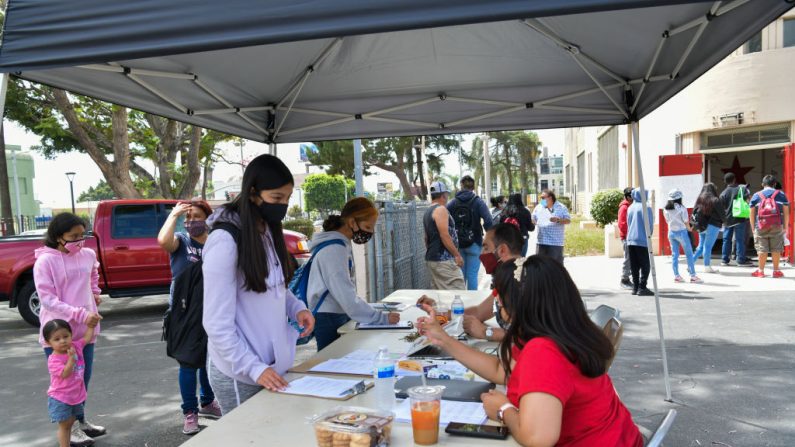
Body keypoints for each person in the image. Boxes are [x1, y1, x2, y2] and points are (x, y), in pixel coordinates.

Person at [416, 257, 643, 447]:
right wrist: (443, 339)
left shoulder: (544, 350)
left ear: (520, 306)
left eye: (500, 304)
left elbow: (538, 437)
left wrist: (503, 409)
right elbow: (501, 369)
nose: (498, 309)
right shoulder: (560, 331)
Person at [202, 154, 315, 414]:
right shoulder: (224, 242)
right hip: (241, 373)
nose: (283, 205)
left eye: (287, 198)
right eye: (277, 198)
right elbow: (216, 324)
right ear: (253, 193)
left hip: (271, 367)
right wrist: (254, 368)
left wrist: (297, 308)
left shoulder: (266, 231)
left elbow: (274, 287)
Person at [34, 213, 106, 446]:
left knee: (82, 379)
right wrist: (81, 314)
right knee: (65, 383)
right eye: (73, 237)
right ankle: (70, 428)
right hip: (59, 333)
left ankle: (81, 421)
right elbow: (48, 300)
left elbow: (93, 274)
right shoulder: (45, 262)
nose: (79, 240)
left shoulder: (88, 255)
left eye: (81, 235)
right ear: (58, 237)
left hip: (86, 329)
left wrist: (95, 293)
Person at [157, 199, 221, 434]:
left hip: (213, 307)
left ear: (208, 218)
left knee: (209, 359)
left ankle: (207, 401)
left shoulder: (216, 242)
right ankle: (190, 412)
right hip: (184, 311)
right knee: (188, 362)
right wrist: (173, 215)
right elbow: (163, 241)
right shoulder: (182, 241)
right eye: (188, 218)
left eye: (197, 216)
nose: (192, 221)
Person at [309, 197, 400, 351]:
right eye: (367, 226)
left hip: (333, 313)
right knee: (332, 363)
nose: (370, 232)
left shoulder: (339, 245)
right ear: (351, 222)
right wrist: (381, 318)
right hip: (329, 317)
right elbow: (346, 296)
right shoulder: (334, 250)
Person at [416, 223, 524, 341]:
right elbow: (479, 312)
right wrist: (439, 311)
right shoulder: (509, 278)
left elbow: (531, 334)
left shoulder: (525, 280)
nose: (482, 253)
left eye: (486, 247)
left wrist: (486, 332)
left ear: (502, 250)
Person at [43, 318, 99, 447]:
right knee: (64, 427)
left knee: (70, 422)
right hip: (60, 398)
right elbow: (65, 373)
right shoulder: (54, 360)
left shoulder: (75, 346)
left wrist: (90, 326)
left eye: (65, 336)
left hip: (75, 396)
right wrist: (71, 360)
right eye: (57, 339)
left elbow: (87, 338)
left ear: (71, 335)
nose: (62, 341)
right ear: (48, 342)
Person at [447, 175, 494, 290]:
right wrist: (489, 239)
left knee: (461, 275)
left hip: (458, 245)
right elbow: (488, 220)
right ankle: (472, 302)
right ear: (473, 187)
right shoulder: (478, 202)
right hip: (474, 242)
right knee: (472, 274)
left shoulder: (452, 203)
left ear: (461, 186)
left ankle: (461, 302)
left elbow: (445, 220)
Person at [423, 181, 466, 290]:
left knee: (440, 297)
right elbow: (444, 235)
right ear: (443, 195)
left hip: (434, 259)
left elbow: (426, 238)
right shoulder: (440, 209)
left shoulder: (428, 211)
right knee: (458, 292)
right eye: (447, 194)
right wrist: (457, 255)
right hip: (444, 261)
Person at [750, 175, 790, 278]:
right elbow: (786, 213)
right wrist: (785, 227)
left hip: (760, 226)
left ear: (762, 184)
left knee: (762, 249)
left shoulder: (756, 195)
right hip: (777, 225)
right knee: (776, 248)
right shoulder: (781, 195)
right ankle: (776, 271)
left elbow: (752, 214)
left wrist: (753, 228)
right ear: (775, 184)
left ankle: (761, 271)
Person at [663, 189, 701, 283]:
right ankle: (693, 276)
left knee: (674, 255)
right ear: (679, 198)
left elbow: (667, 221)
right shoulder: (682, 208)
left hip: (671, 233)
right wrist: (690, 229)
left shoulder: (665, 209)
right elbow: (686, 222)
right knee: (689, 254)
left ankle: (677, 276)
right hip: (682, 232)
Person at [626, 188, 655, 296]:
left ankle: (635, 287)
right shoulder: (646, 207)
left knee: (634, 265)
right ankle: (642, 287)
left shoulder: (631, 207)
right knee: (645, 264)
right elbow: (650, 225)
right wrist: (649, 235)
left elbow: (628, 223)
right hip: (642, 239)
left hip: (630, 239)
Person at [719, 172, 752, 267]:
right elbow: (748, 201)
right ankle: (740, 260)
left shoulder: (723, 193)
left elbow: (721, 208)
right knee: (739, 239)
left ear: (725, 182)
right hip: (740, 218)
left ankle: (725, 260)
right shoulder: (741, 189)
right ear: (734, 179)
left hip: (727, 220)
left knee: (726, 240)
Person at [692, 183, 726, 273]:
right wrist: (726, 222)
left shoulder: (699, 200)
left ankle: (690, 264)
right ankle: (707, 266)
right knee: (707, 247)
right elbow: (722, 214)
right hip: (713, 225)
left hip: (701, 226)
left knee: (700, 247)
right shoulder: (715, 200)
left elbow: (694, 212)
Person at [531, 189, 571, 264]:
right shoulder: (539, 207)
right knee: (540, 266)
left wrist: (558, 220)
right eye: (541, 198)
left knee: (555, 267)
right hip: (541, 242)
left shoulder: (561, 207)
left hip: (555, 243)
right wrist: (533, 221)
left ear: (550, 197)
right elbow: (533, 218)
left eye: (543, 198)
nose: (541, 200)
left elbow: (568, 220)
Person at [617, 187, 634, 289]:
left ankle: (628, 278)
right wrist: (629, 235)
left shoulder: (631, 206)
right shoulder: (624, 208)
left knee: (631, 259)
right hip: (627, 237)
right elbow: (622, 224)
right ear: (628, 197)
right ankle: (624, 279)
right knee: (628, 259)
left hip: (631, 237)